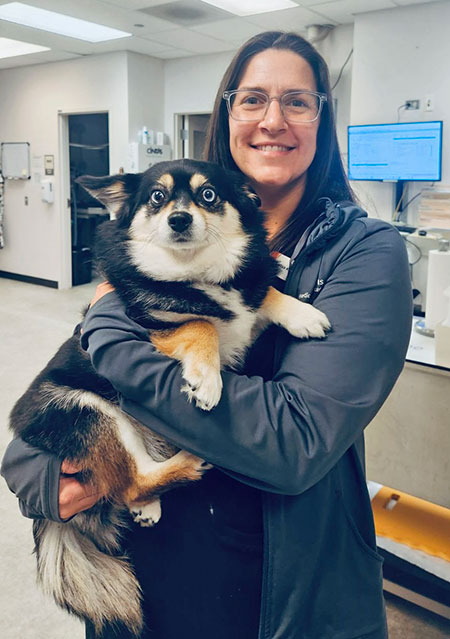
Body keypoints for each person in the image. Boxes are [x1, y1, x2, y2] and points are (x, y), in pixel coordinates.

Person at [1, 31, 412, 639]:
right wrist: (39, 475)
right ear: (228, 112)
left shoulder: (367, 252)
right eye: (253, 99)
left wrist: (112, 332)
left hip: (274, 589)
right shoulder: (160, 254)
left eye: (297, 101)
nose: (273, 119)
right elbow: (67, 396)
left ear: (323, 118)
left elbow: (293, 443)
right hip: (145, 560)